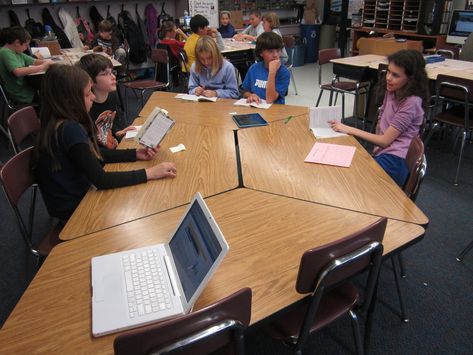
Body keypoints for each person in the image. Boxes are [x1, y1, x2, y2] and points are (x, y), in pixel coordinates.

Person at [33, 64, 176, 221]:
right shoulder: (70, 129)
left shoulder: (55, 122)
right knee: (145, 206)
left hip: (71, 199)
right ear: (70, 101)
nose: (93, 97)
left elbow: (91, 155)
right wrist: (150, 173)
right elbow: (102, 180)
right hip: (76, 210)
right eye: (88, 94)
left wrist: (135, 153)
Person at [330, 49, 429, 186]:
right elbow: (381, 121)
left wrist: (347, 128)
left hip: (395, 161)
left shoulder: (411, 102)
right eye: (388, 71)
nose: (388, 77)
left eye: (395, 75)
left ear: (411, 79)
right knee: (344, 169)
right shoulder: (393, 90)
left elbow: (384, 140)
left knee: (348, 180)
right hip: (383, 153)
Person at [77, 54, 134, 149]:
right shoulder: (86, 106)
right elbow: (94, 148)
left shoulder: (111, 96)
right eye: (105, 74)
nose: (113, 77)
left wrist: (118, 133)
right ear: (90, 80)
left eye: (112, 72)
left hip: (113, 148)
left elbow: (110, 126)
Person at [0, 26, 51, 104]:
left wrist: (50, 63)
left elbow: (33, 61)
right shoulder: (5, 52)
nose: (27, 48)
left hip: (27, 87)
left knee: (49, 91)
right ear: (17, 43)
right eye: (26, 45)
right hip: (20, 93)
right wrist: (43, 66)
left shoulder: (17, 52)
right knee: (50, 95)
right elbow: (18, 72)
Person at [241, 32, 290, 104]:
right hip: (256, 107)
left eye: (278, 50)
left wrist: (272, 72)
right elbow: (244, 91)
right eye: (270, 51)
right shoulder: (254, 68)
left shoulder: (283, 72)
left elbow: (270, 100)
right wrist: (251, 95)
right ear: (261, 53)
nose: (275, 55)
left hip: (274, 111)